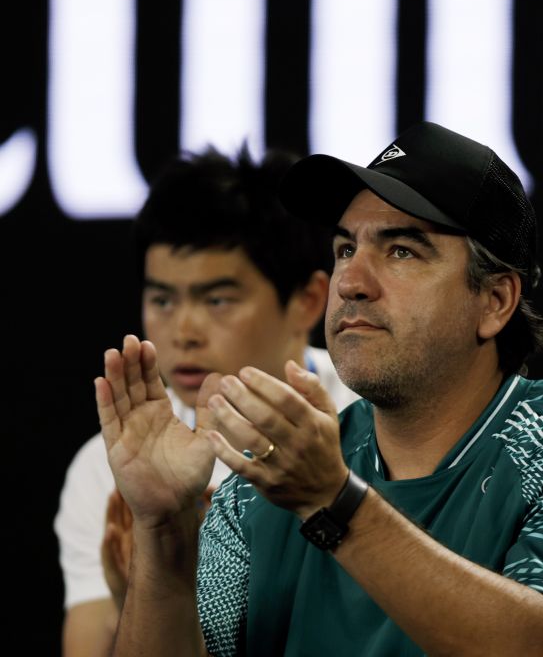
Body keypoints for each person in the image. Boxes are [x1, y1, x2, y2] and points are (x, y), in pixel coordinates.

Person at [96, 121, 543, 656]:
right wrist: (164, 532)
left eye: (401, 251)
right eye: (346, 248)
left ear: (494, 302)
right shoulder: (258, 493)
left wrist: (334, 504)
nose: (350, 281)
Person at [54, 147, 359, 656]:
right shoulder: (109, 466)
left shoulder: (374, 414)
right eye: (162, 299)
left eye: (217, 299)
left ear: (308, 301)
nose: (184, 331)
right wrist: (136, 595)